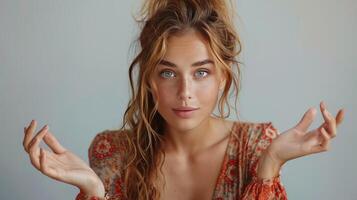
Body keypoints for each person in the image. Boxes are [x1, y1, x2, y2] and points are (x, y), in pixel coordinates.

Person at [22, 0, 345, 199]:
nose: (185, 91)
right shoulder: (114, 152)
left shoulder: (257, 146)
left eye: (201, 73)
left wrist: (270, 165)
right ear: (149, 79)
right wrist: (93, 191)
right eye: (168, 73)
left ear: (223, 78)